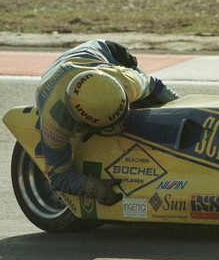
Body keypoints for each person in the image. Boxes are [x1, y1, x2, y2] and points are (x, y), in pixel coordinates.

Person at [36, 39, 180, 206]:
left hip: (106, 53)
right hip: (58, 80)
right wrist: (93, 187)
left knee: (152, 101)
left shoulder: (125, 81)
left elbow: (156, 86)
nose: (120, 128)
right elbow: (58, 176)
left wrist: (182, 106)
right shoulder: (54, 122)